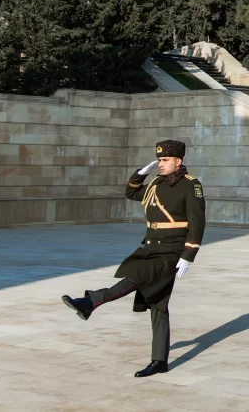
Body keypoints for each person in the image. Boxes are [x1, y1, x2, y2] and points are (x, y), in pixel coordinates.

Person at [61, 140, 206, 378]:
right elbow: (131, 192)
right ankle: (159, 360)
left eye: (165, 160)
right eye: (159, 160)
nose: (161, 164)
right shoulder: (156, 183)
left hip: (172, 250)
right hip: (150, 246)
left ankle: (91, 302)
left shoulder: (191, 186)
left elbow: (198, 221)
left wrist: (189, 254)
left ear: (178, 161)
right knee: (158, 304)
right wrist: (141, 174)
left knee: (136, 277)